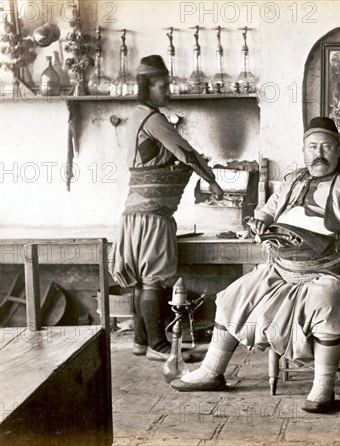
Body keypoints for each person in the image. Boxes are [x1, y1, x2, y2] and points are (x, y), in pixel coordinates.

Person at [171, 116, 340, 413]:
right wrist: (257, 223)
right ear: (303, 150)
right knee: (236, 293)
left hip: (332, 271)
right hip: (283, 269)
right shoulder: (292, 180)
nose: (318, 154)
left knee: (326, 303)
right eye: (312, 147)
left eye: (326, 146)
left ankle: (323, 387)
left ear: (339, 149)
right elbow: (267, 212)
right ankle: (212, 370)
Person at [110, 55, 224, 361]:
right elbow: (185, 153)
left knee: (139, 278)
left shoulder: (134, 116)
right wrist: (212, 182)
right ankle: (157, 346)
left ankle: (139, 341)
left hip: (134, 215)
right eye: (162, 85)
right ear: (147, 86)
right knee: (154, 279)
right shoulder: (153, 119)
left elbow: (154, 159)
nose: (168, 91)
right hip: (152, 216)